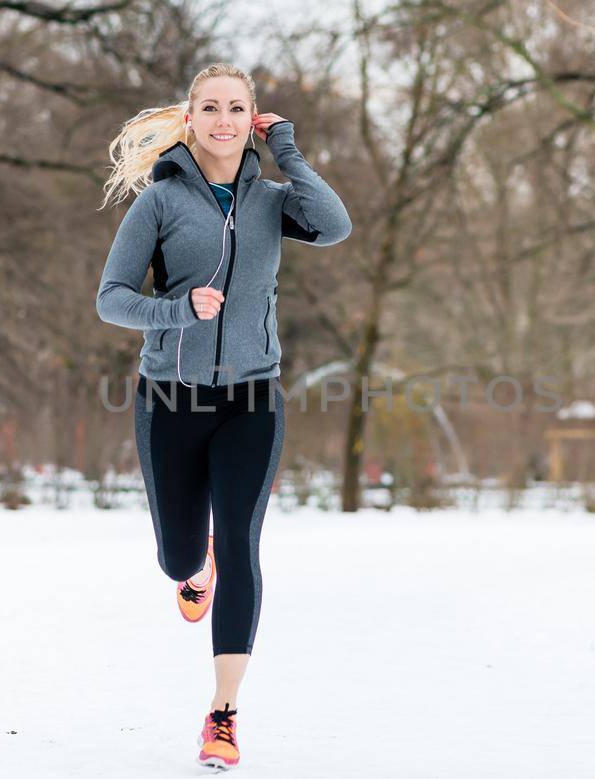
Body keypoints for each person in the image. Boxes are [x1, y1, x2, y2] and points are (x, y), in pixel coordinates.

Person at [94, 62, 352, 770]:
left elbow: (334, 227)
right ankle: (190, 569)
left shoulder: (272, 201)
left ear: (252, 118)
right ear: (190, 118)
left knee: (240, 543)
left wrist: (289, 151)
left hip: (253, 397)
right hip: (170, 397)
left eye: (237, 108)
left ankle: (223, 712)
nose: (224, 119)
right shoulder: (159, 202)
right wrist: (177, 310)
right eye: (210, 107)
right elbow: (111, 298)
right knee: (181, 552)